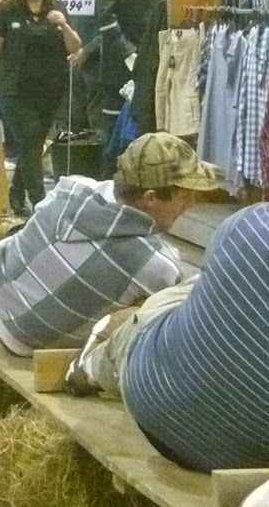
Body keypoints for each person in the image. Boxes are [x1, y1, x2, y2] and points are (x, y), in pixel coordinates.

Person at [0, 132, 223, 357]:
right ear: (150, 198)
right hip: (27, 342)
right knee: (148, 313)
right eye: (184, 196)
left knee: (32, 231)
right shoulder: (158, 263)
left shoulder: (71, 187)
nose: (191, 205)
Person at [66, 199, 269, 475]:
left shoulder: (249, 223)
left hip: (154, 405)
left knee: (184, 294)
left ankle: (89, 367)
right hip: (252, 462)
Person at [0, 0, 80, 215]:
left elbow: (74, 47)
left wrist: (64, 25)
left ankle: (16, 195)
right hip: (14, 90)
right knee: (29, 139)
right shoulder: (8, 10)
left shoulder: (57, 10)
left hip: (49, 90)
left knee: (32, 146)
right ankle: (40, 204)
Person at [97, 0, 169, 149]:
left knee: (113, 137)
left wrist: (129, 54)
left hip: (118, 65)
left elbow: (107, 20)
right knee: (148, 134)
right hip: (154, 63)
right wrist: (144, 55)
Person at [66, 0, 108, 134]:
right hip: (72, 63)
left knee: (97, 124)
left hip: (99, 64)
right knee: (73, 121)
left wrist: (88, 50)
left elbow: (113, 24)